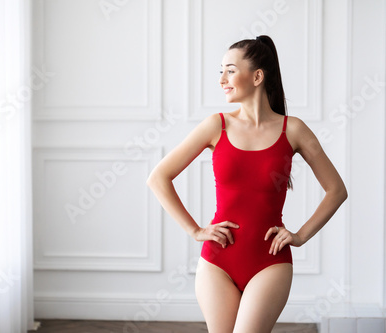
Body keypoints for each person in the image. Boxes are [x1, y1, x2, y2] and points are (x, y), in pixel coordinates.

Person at [146, 35, 348, 333]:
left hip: (270, 262)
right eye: (221, 71)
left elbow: (336, 190)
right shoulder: (216, 125)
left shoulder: (293, 130)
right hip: (218, 261)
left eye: (229, 70)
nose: (222, 80)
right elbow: (158, 177)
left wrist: (301, 235)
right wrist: (195, 230)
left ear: (257, 76)